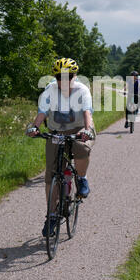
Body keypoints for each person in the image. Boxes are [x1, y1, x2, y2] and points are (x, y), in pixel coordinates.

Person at [27, 58, 95, 237]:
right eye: (59, 76)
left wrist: (87, 131)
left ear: (75, 76)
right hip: (56, 130)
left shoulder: (82, 90)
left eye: (69, 76)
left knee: (81, 148)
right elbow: (42, 113)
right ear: (55, 77)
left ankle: (81, 178)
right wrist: (35, 127)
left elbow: (87, 112)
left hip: (79, 128)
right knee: (51, 174)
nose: (64, 80)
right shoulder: (50, 91)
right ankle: (51, 216)